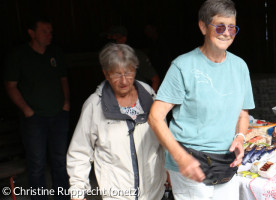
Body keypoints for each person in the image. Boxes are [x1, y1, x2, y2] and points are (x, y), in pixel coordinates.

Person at [148, 0, 254, 199]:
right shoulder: (182, 66)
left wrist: (240, 138)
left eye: (232, 28)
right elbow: (155, 117)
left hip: (226, 162)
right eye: (220, 26)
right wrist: (180, 156)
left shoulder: (240, 67)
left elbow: (242, 113)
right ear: (203, 27)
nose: (226, 33)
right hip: (190, 160)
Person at [66, 43, 166, 199]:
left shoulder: (149, 95)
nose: (124, 80)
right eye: (116, 74)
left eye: (128, 72)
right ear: (106, 74)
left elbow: (164, 137)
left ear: (135, 69)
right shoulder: (94, 105)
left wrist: (170, 169)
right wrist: (78, 190)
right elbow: (80, 151)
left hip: (154, 192)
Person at [3, 16, 70, 200]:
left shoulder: (55, 52)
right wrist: (27, 110)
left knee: (60, 161)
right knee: (37, 163)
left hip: (58, 115)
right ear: (31, 33)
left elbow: (63, 79)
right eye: (44, 31)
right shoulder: (19, 56)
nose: (49, 35)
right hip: (34, 118)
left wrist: (66, 103)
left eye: (50, 32)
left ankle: (62, 197)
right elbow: (10, 85)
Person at [106, 25, 161, 91]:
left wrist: (150, 99)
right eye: (109, 37)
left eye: (114, 37)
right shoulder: (108, 57)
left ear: (123, 38)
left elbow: (155, 79)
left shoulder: (135, 55)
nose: (111, 41)